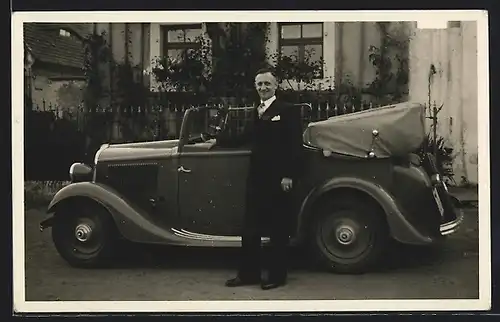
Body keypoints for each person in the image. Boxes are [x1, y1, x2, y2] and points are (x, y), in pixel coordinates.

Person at [218, 67, 304, 290]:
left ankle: (277, 276)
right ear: (255, 87)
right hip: (256, 178)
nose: (263, 88)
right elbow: (247, 136)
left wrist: (288, 175)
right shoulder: (257, 110)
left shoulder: (287, 110)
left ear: (276, 86)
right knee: (251, 228)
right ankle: (248, 274)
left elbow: (295, 146)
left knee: (277, 229)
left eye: (267, 84)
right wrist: (219, 139)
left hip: (278, 179)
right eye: (259, 84)